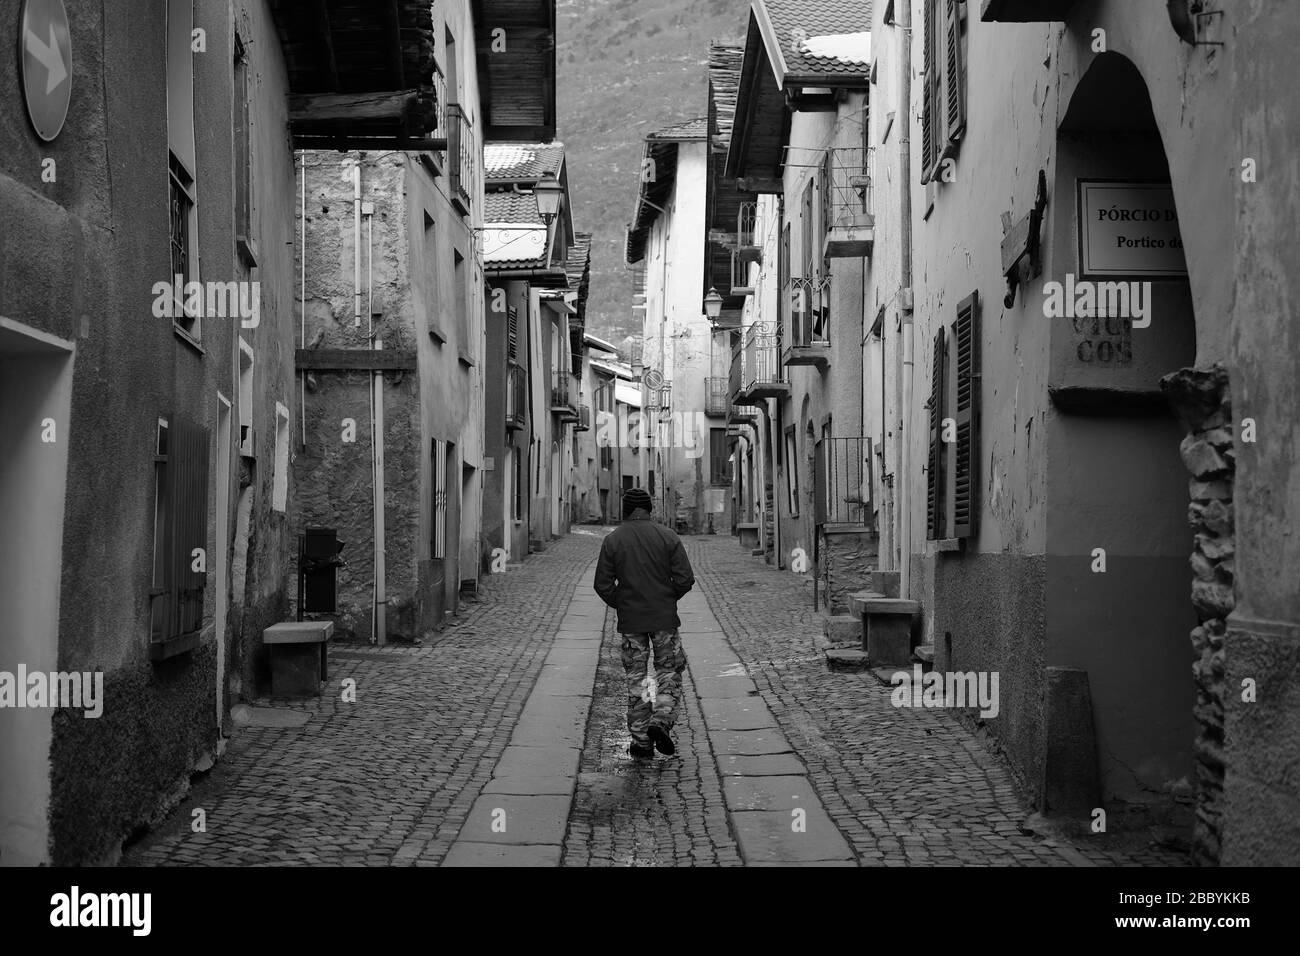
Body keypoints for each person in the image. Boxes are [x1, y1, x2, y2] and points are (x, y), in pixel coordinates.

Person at [594, 487, 695, 759]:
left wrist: (624, 603)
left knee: (636, 679)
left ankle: (641, 742)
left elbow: (602, 584)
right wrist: (666, 598)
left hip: (631, 622)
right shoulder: (668, 536)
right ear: (650, 509)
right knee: (668, 673)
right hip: (663, 619)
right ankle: (661, 721)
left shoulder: (613, 540)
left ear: (625, 509)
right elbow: (685, 579)